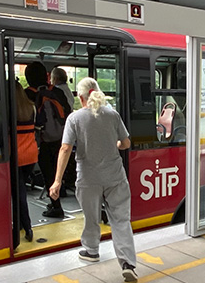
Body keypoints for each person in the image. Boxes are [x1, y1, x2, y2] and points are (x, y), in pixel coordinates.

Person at [49, 77, 138, 282]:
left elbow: (65, 148)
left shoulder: (75, 118)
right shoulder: (112, 114)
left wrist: (57, 181)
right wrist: (112, 145)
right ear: (97, 92)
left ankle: (91, 251)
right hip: (115, 176)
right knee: (121, 220)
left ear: (80, 97)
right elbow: (125, 143)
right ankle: (127, 263)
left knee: (91, 217)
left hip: (88, 178)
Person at [0, 81, 39, 245]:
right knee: (19, 191)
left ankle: (26, 227)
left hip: (14, 158)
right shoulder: (31, 108)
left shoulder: (5, 114)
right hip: (31, 156)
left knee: (18, 193)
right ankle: (22, 224)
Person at [26, 62, 73, 218]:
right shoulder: (57, 92)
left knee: (48, 175)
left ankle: (56, 206)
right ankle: (57, 199)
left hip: (42, 141)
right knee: (57, 172)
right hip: (62, 138)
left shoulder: (28, 94)